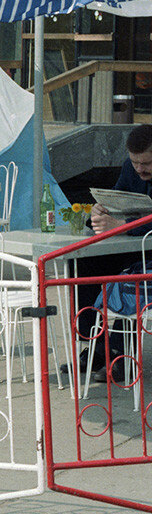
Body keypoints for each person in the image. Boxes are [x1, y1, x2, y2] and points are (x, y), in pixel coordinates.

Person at [68, 124, 152, 380]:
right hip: (135, 246)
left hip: (146, 254)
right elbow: (116, 199)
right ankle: (94, 343)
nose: (140, 169)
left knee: (129, 279)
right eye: (135, 162)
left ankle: (121, 354)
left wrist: (122, 226)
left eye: (147, 163)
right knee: (83, 263)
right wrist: (100, 211)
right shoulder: (131, 169)